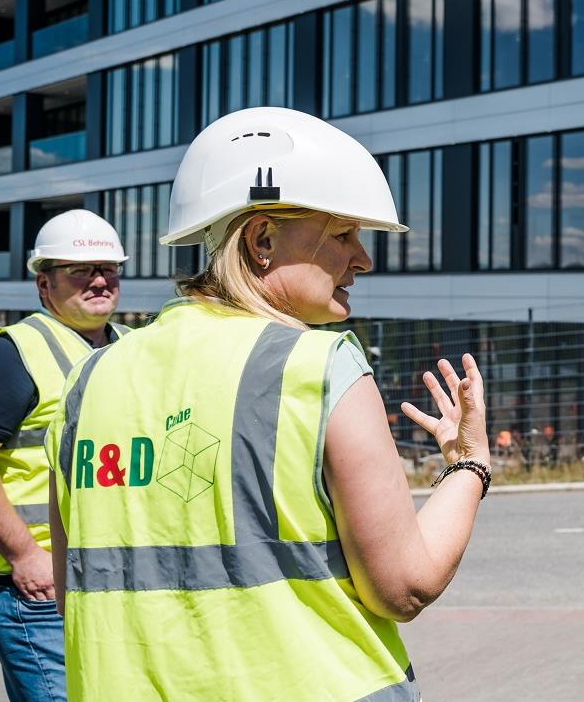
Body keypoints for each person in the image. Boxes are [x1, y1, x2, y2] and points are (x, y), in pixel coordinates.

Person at [43, 107, 491, 701]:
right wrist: (468, 464)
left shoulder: (87, 383)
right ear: (260, 239)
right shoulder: (316, 367)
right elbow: (403, 586)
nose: (363, 258)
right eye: (341, 234)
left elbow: (75, 586)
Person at [0, 209, 131, 702]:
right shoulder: (13, 354)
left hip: (110, 578)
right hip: (35, 586)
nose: (99, 280)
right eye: (80, 271)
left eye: (108, 269)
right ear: (44, 284)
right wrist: (25, 555)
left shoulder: (130, 347)